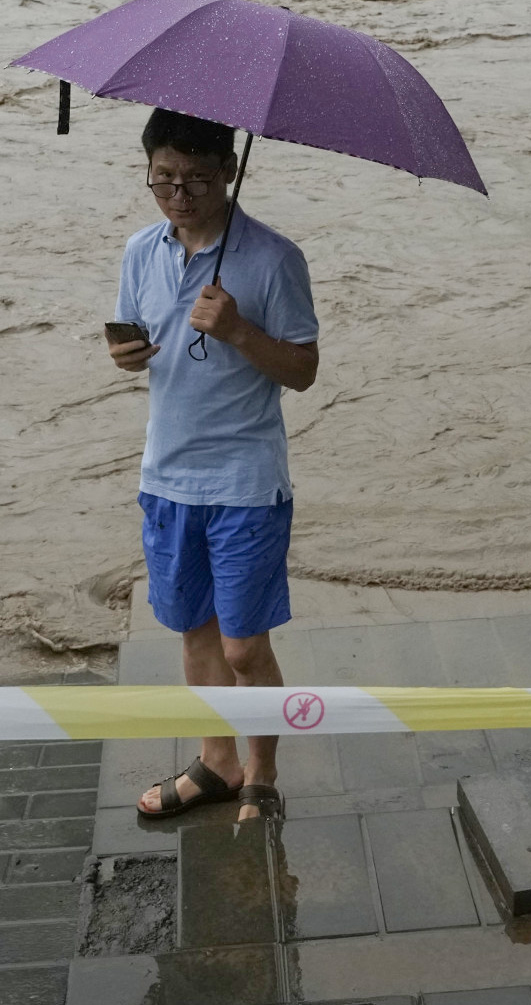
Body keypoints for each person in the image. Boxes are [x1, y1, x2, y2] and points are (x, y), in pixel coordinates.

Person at [109, 108, 318, 825]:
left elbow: (302, 371)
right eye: (164, 177)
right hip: (164, 476)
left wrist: (236, 330)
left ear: (229, 171)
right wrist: (125, 354)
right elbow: (136, 336)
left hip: (245, 482)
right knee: (194, 633)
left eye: (198, 179)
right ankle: (217, 761)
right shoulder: (140, 250)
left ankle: (260, 772)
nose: (180, 193)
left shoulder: (274, 258)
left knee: (242, 644)